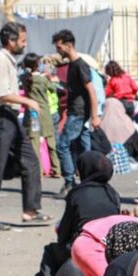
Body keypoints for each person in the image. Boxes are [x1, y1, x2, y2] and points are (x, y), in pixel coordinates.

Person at [0, 22, 47, 230]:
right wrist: (28, 101)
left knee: (30, 161)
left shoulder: (8, 60)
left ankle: (31, 209)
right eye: (22, 41)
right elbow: (0, 94)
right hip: (0, 117)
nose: (24, 45)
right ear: (11, 41)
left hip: (9, 116)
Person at [30, 151, 120, 276]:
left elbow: (65, 230)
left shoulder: (77, 194)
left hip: (83, 246)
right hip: (108, 249)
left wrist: (62, 237)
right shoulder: (113, 194)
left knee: (52, 250)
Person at [53, 29, 100, 196]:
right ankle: (88, 181)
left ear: (69, 45)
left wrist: (95, 115)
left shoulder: (80, 65)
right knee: (83, 148)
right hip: (78, 111)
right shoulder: (72, 65)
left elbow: (91, 90)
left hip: (79, 113)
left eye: (59, 47)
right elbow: (77, 89)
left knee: (62, 145)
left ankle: (69, 181)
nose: (58, 51)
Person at [21, 53, 63, 178]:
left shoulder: (25, 78)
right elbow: (53, 89)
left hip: (33, 113)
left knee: (35, 143)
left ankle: (38, 171)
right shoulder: (43, 79)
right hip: (45, 112)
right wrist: (50, 78)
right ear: (36, 65)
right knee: (51, 141)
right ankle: (56, 169)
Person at [97, 97, 138, 161]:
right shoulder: (126, 121)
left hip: (108, 156)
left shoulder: (101, 122)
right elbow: (137, 139)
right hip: (127, 153)